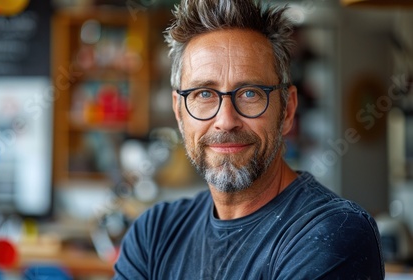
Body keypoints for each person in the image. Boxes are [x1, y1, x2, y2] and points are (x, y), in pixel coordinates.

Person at [114, 0, 384, 279]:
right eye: (204, 94)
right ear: (179, 112)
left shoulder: (335, 233)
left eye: (250, 93)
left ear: (288, 110)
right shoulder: (153, 234)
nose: (226, 120)